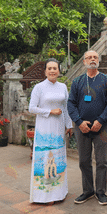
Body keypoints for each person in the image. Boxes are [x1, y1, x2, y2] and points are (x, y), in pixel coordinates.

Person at [68, 50, 107, 205]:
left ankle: (100, 192)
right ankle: (87, 191)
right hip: (82, 127)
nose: (93, 59)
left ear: (98, 60)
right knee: (83, 160)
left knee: (101, 161)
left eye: (95, 57)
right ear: (84, 61)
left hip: (101, 127)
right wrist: (79, 122)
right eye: (89, 57)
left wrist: (100, 121)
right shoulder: (77, 82)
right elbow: (71, 104)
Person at [29, 58, 72, 204]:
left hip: (59, 128)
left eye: (55, 68)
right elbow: (32, 108)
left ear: (59, 71)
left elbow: (65, 108)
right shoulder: (39, 87)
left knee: (59, 158)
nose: (52, 71)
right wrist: (50, 111)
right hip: (44, 128)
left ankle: (60, 192)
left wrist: (69, 125)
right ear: (45, 71)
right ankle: (45, 196)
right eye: (50, 68)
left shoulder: (63, 87)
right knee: (45, 157)